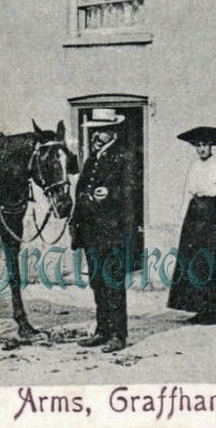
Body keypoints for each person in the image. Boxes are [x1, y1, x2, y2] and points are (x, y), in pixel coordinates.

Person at [70, 110, 138, 353]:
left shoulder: (124, 156)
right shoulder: (93, 159)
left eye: (101, 130)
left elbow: (132, 194)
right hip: (91, 232)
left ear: (113, 131)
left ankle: (118, 335)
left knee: (113, 283)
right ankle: (102, 330)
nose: (96, 135)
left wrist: (111, 194)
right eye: (94, 131)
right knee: (97, 281)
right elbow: (81, 190)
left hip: (113, 232)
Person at [166, 126, 216, 324]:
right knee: (193, 262)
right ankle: (199, 308)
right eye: (197, 145)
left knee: (212, 262)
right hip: (194, 216)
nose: (201, 149)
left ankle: (212, 310)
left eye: (205, 145)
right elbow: (187, 194)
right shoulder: (194, 166)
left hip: (213, 214)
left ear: (212, 145)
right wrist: (180, 221)